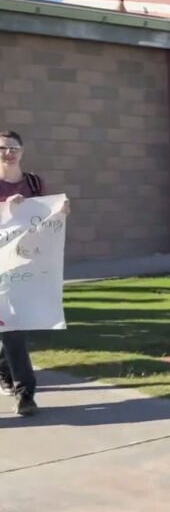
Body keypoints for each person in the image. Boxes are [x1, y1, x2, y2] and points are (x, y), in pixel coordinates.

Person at [0, 130, 69, 416]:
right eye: (3, 148)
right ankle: (7, 374)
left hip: (23, 266)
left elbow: (43, 217)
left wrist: (60, 212)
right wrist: (5, 208)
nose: (8, 152)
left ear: (22, 151)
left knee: (13, 327)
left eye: (14, 147)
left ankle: (25, 393)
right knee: (7, 327)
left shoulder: (33, 182)